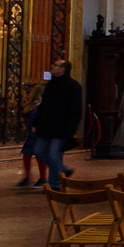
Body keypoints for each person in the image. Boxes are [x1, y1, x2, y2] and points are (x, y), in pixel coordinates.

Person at [31, 59, 84, 190]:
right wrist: (36, 123)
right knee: (39, 150)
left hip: (61, 128)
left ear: (62, 69)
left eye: (55, 65)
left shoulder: (73, 85)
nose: (52, 66)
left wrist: (71, 129)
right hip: (46, 126)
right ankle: (63, 169)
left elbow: (76, 109)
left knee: (55, 155)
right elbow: (44, 105)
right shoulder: (51, 84)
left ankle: (55, 185)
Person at [15, 84, 46, 188]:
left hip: (38, 133)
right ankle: (27, 177)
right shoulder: (34, 105)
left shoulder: (41, 106)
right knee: (27, 155)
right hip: (33, 133)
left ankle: (43, 178)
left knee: (39, 155)